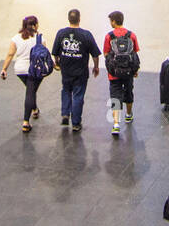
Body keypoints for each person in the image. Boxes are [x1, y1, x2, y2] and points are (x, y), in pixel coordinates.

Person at [51, 9, 101, 132]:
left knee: (66, 90)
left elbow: (55, 52)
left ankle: (65, 113)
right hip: (81, 71)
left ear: (68, 19)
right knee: (78, 96)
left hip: (66, 70)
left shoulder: (61, 33)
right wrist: (96, 66)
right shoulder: (86, 35)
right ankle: (76, 123)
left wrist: (58, 63)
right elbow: (95, 54)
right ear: (79, 19)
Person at [0, 15, 46, 133]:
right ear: (35, 25)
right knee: (30, 92)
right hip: (34, 70)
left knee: (31, 90)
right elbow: (44, 55)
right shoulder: (40, 39)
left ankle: (35, 109)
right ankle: (26, 122)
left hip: (20, 70)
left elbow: (10, 54)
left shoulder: (16, 38)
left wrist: (4, 69)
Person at [102, 10, 140, 138]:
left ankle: (116, 124)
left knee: (115, 96)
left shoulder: (109, 36)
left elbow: (106, 54)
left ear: (113, 21)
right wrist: (135, 70)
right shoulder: (131, 35)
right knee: (128, 92)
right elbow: (135, 53)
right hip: (129, 72)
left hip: (114, 74)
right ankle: (128, 115)